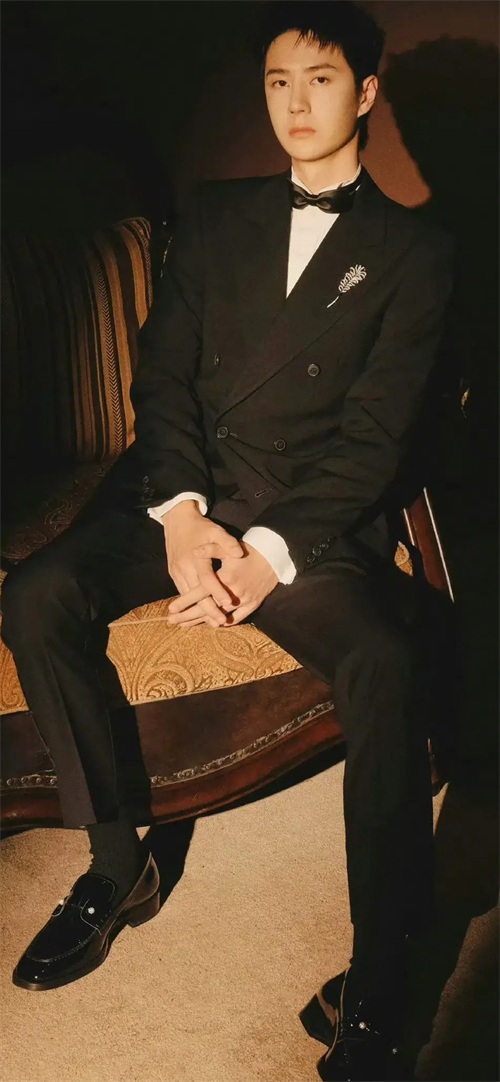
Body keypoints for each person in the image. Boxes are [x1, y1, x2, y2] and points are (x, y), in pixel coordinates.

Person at [1, 2, 454, 1078]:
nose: (295, 104)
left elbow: (377, 437)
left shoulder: (416, 251)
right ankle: (118, 861)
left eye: (320, 80)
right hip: (184, 498)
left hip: (306, 518)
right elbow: (162, 380)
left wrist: (261, 556)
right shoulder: (211, 216)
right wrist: (184, 521)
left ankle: (379, 974)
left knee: (386, 659)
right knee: (38, 595)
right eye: (277, 82)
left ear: (365, 94)